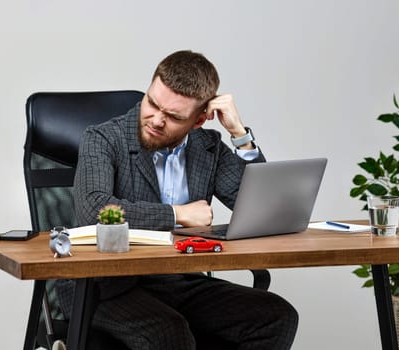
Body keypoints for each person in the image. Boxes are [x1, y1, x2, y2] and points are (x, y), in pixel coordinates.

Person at [64, 50, 298, 349]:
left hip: (177, 280)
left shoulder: (207, 148)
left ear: (199, 120)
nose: (156, 120)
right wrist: (177, 214)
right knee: (168, 333)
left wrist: (239, 134)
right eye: (152, 103)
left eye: (174, 116)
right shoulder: (104, 138)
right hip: (104, 286)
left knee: (276, 316)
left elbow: (265, 211)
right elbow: (94, 211)